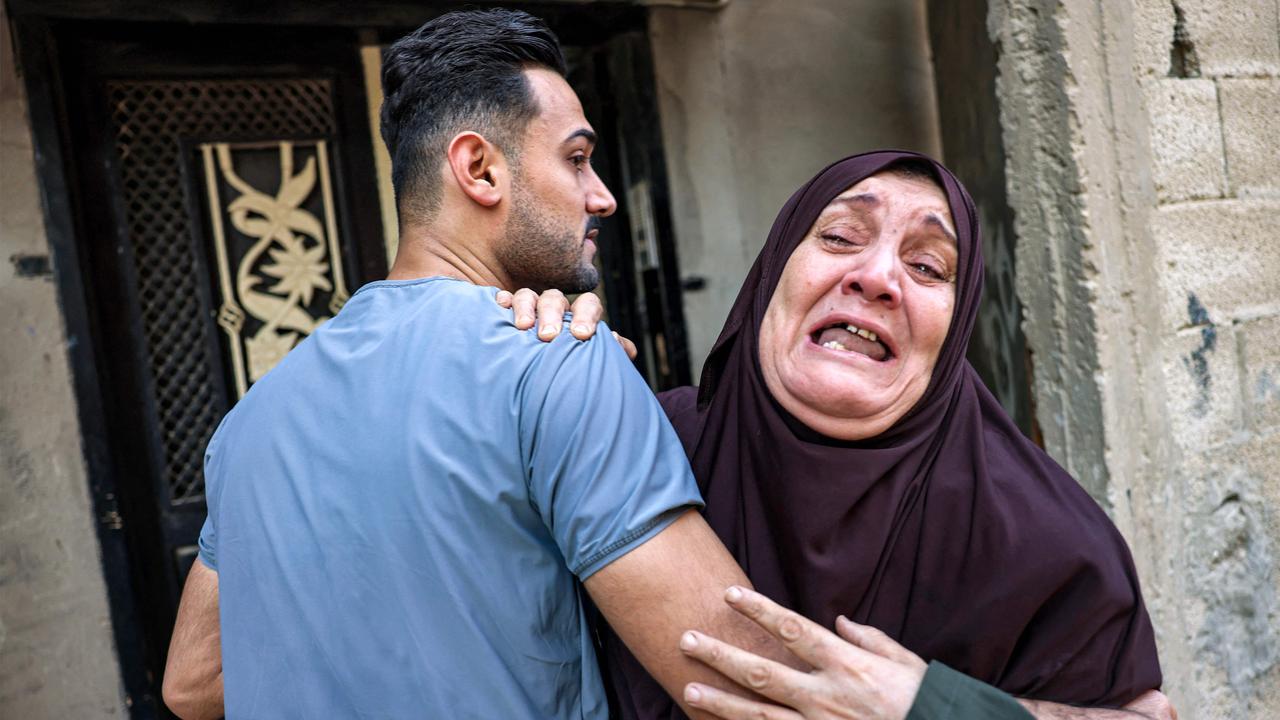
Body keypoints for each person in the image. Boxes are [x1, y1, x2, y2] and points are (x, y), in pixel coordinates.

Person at [161, 9, 794, 719]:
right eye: (577, 159)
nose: (603, 196)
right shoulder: (557, 365)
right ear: (479, 168)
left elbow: (191, 683)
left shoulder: (254, 418)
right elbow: (742, 684)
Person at [511, 151, 1171, 719]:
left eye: (929, 267)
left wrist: (932, 708)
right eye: (840, 237)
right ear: (772, 274)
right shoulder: (634, 445)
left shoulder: (1047, 546)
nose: (877, 277)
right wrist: (526, 359)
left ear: (955, 330)